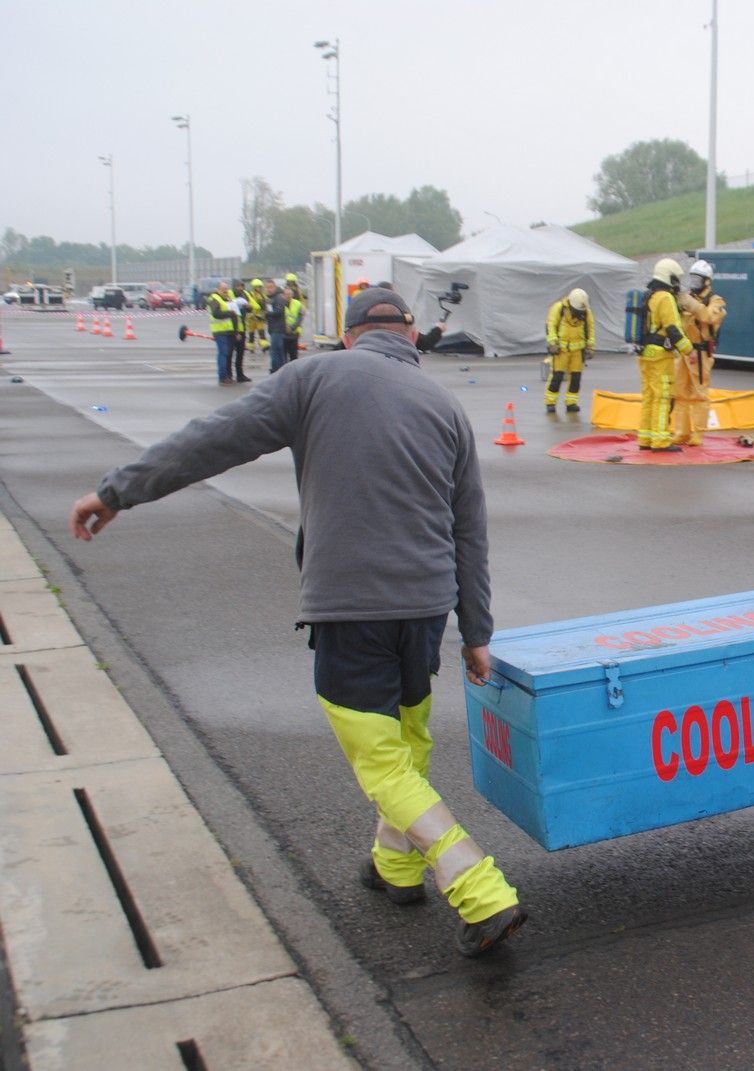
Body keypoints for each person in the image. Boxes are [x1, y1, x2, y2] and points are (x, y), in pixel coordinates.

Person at [68, 287, 526, 958]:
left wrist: (115, 492)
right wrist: (477, 630)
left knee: (379, 757)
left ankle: (478, 884)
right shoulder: (445, 407)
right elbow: (470, 531)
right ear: (409, 338)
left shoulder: (313, 376)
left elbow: (211, 441)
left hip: (351, 606)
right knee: (405, 736)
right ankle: (396, 868)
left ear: (347, 335)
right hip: (426, 609)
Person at [638, 259, 693, 452]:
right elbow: (673, 328)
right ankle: (661, 441)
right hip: (661, 356)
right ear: (669, 277)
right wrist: (688, 350)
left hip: (645, 353)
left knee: (649, 397)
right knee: (662, 398)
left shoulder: (649, 296)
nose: (678, 283)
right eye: (676, 279)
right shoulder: (666, 298)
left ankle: (645, 439)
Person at [673, 260, 727, 446]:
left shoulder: (715, 300)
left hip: (700, 352)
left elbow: (709, 317)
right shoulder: (687, 298)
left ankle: (698, 432)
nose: (694, 283)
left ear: (707, 281)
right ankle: (681, 432)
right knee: (679, 391)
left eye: (698, 279)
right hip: (684, 351)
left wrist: (691, 305)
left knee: (699, 393)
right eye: (692, 278)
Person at [544, 288, 594, 414]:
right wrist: (553, 342)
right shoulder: (559, 308)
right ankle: (550, 402)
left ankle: (571, 402)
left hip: (578, 351)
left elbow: (590, 330)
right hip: (561, 350)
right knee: (557, 377)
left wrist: (590, 346)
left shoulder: (586, 312)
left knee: (576, 378)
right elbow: (551, 325)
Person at [205, 279, 238, 384]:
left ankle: (226, 376)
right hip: (219, 331)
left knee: (227, 353)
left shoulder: (226, 299)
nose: (226, 291)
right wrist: (229, 313)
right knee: (223, 353)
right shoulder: (214, 299)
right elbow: (216, 313)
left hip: (228, 330)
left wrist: (235, 330)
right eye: (223, 289)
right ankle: (222, 377)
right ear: (218, 289)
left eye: (227, 289)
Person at [263, 280, 289, 373]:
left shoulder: (279, 297)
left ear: (275, 287)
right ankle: (278, 370)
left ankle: (277, 371)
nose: (269, 289)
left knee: (276, 351)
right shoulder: (269, 299)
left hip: (278, 329)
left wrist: (268, 313)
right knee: (276, 351)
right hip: (273, 328)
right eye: (267, 287)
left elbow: (279, 311)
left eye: (271, 287)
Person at [228, 280, 251, 383]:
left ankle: (240, 375)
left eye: (242, 286)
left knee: (241, 352)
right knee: (229, 353)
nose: (240, 288)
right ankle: (229, 374)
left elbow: (251, 307)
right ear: (234, 287)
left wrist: (248, 307)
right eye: (238, 286)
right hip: (231, 327)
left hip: (242, 327)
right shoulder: (229, 294)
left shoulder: (245, 294)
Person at [284, 284, 305, 362]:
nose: (287, 296)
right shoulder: (281, 303)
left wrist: (292, 327)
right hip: (283, 332)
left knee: (293, 355)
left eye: (289, 294)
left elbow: (300, 317)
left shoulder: (297, 304)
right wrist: (285, 327)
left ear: (292, 295)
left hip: (294, 332)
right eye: (286, 294)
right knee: (283, 355)